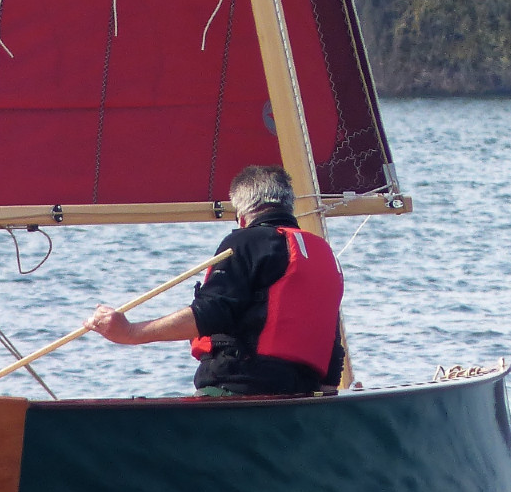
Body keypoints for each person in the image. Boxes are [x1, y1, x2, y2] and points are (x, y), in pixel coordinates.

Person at [84, 165, 344, 395]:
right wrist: (325, 395)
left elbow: (210, 313)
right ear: (289, 205)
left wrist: (130, 332)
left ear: (241, 216)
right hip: (303, 394)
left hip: (243, 386)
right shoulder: (324, 254)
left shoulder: (244, 242)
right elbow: (332, 340)